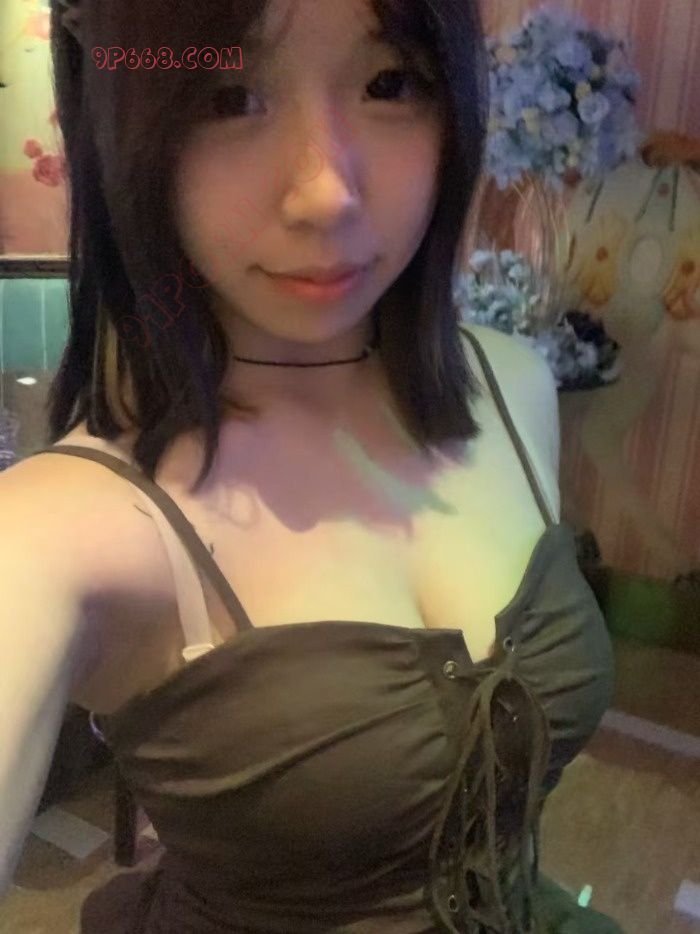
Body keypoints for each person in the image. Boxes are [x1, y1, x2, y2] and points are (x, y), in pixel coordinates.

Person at [0, 0, 623, 930]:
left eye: (390, 83)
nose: (327, 193)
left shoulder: (515, 384)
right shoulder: (61, 525)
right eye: (228, 96)